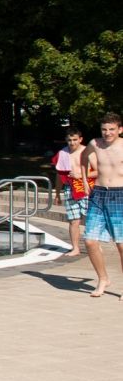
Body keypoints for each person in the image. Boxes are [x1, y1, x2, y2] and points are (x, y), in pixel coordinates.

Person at [81, 112, 123, 297]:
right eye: (104, 129)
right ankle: (103, 278)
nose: (107, 133)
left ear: (120, 129)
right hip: (98, 194)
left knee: (121, 244)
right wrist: (84, 180)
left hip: (120, 194)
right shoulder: (94, 144)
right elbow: (83, 158)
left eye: (112, 129)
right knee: (90, 241)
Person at [54, 127, 89, 257]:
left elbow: (99, 171)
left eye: (75, 140)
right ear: (66, 140)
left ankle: (94, 246)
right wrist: (57, 193)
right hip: (70, 188)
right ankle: (75, 248)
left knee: (90, 219)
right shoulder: (63, 153)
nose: (72, 143)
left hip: (86, 188)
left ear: (80, 139)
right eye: (69, 140)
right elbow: (59, 175)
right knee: (73, 220)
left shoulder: (87, 151)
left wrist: (80, 174)